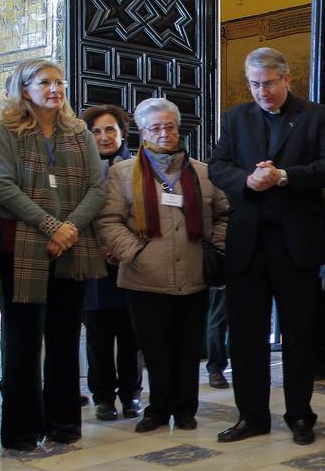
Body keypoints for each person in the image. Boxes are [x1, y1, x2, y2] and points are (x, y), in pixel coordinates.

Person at [208, 47, 325, 446]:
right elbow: (218, 166)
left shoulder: (314, 115)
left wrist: (283, 176)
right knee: (246, 336)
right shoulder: (235, 117)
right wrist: (246, 181)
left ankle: (300, 415)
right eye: (254, 84)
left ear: (287, 80)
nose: (261, 92)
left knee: (300, 335)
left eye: (268, 83)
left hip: (295, 243)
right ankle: (252, 416)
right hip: (247, 243)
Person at [0, 59, 108, 450]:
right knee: (22, 341)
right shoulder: (2, 131)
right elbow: (2, 187)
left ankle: (64, 424)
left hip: (73, 246)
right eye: (45, 83)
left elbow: (96, 188)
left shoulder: (78, 132)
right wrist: (51, 226)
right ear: (24, 90)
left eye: (60, 82)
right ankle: (22, 430)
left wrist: (69, 228)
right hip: (22, 247)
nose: (56, 89)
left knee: (64, 338)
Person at [97, 98, 228, 433]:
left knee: (187, 348)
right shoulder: (122, 173)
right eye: (156, 127)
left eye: (169, 126)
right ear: (142, 132)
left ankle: (185, 409)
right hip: (144, 277)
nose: (164, 133)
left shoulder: (202, 172)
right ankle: (157, 409)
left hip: (193, 273)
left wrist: (215, 245)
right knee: (154, 348)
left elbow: (226, 214)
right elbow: (108, 220)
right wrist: (134, 253)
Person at [81, 105, 142, 422]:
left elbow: (145, 212)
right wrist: (99, 246)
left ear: (122, 133)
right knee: (99, 336)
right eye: (96, 131)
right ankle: (103, 397)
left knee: (131, 335)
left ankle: (131, 395)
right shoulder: (79, 167)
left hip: (129, 260)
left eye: (110, 130)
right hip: (93, 263)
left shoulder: (139, 167)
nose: (104, 137)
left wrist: (121, 247)